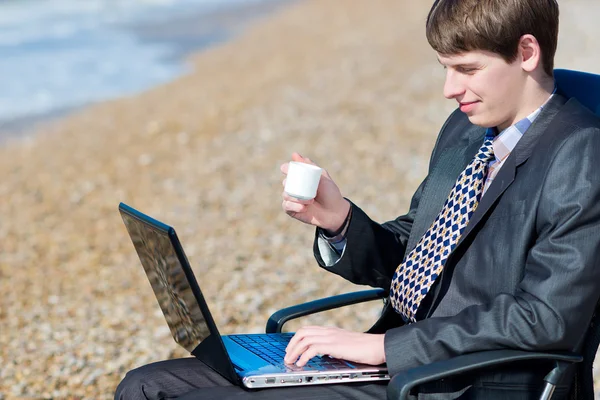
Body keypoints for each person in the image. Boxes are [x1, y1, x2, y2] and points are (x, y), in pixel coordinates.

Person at [114, 0, 600, 399]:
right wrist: (339, 219)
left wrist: (387, 349)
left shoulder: (580, 152)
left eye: (466, 69)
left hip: (464, 381)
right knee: (145, 385)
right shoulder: (467, 129)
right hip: (396, 364)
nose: (450, 89)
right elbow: (417, 252)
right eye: (445, 68)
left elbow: (547, 318)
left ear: (528, 52)